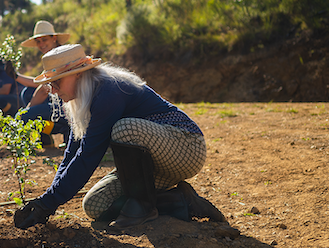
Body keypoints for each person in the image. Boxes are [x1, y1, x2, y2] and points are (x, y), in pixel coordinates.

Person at [13, 44, 226, 230]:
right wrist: (46, 200)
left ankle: (142, 207)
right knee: (96, 205)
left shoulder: (109, 91)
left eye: (57, 82)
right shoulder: (84, 97)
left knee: (124, 129)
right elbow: (72, 152)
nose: (53, 90)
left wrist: (49, 202)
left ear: (78, 73)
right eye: (51, 84)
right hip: (153, 164)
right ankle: (182, 201)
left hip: (186, 147)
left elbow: (88, 155)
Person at [14, 20, 71, 147]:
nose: (41, 44)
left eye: (44, 40)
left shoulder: (58, 57)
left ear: (54, 38)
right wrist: (15, 76)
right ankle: (46, 137)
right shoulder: (51, 56)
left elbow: (44, 89)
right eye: (38, 41)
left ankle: (65, 129)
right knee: (27, 92)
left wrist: (26, 112)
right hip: (61, 103)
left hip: (68, 107)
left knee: (24, 115)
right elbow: (39, 83)